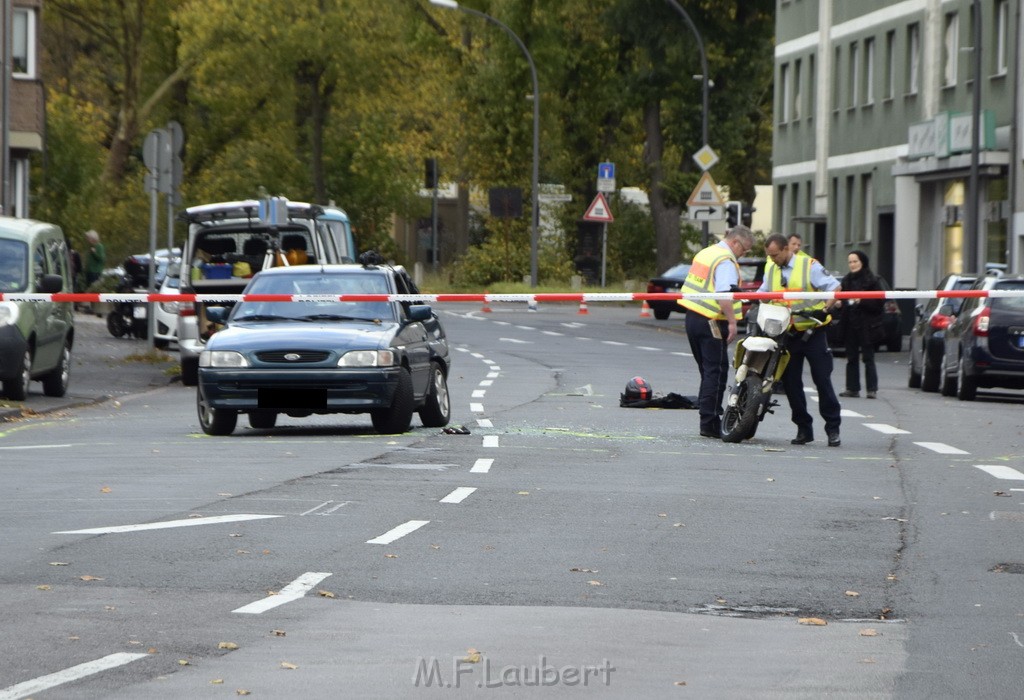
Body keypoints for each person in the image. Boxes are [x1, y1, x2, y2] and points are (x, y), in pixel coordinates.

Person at [758, 233, 843, 447]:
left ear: (787, 249)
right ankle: (803, 429)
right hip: (788, 333)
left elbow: (835, 288)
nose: (773, 259)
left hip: (814, 331)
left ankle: (833, 429)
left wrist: (825, 309)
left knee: (822, 381)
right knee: (791, 384)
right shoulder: (771, 268)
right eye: (770, 256)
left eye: (776, 255)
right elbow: (763, 293)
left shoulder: (809, 265)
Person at [678, 225, 755, 439]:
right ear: (736, 242)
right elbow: (724, 295)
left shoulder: (707, 252)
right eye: (745, 250)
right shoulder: (725, 261)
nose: (743, 254)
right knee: (716, 372)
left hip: (693, 317)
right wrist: (732, 322)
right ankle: (710, 422)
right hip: (712, 320)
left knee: (707, 371)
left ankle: (708, 418)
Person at [838, 250, 883, 399]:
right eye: (850, 262)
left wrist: (861, 300)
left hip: (867, 325)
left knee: (868, 357)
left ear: (862, 262)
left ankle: (872, 389)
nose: (852, 264)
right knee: (851, 358)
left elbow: (879, 304)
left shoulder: (873, 280)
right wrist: (840, 303)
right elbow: (842, 299)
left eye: (855, 261)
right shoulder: (846, 281)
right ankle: (852, 388)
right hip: (850, 323)